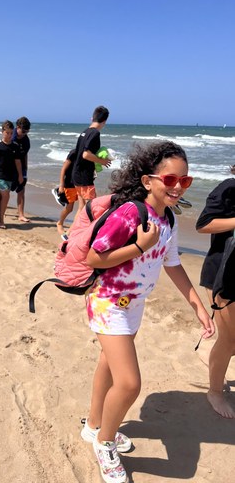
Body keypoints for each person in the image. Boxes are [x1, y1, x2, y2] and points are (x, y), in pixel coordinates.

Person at [81, 141, 214, 483]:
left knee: (109, 365)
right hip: (108, 301)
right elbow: (94, 258)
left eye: (185, 181)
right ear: (148, 181)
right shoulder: (131, 213)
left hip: (134, 304)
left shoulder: (167, 219)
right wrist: (140, 245)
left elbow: (173, 265)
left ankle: (94, 425)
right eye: (170, 180)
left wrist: (198, 305)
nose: (177, 187)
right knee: (129, 383)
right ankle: (104, 444)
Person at [196, 164, 235, 419]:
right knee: (230, 340)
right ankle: (214, 392)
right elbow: (203, 224)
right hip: (225, 273)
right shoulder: (229, 188)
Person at [72, 106, 112, 218]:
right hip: (84, 177)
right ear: (104, 121)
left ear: (92, 118)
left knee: (82, 208)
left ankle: (70, 234)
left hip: (76, 174)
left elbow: (79, 153)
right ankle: (86, 234)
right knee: (93, 209)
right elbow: (86, 154)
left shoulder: (84, 132)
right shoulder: (95, 133)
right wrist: (102, 161)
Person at [0, 120, 23, 229]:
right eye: (7, 133)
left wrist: (20, 175)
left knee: (2, 197)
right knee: (6, 194)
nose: (9, 135)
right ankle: (1, 220)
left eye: (11, 133)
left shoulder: (15, 146)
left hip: (10, 176)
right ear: (2, 132)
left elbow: (18, 162)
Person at [52, 148, 78, 237]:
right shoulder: (74, 152)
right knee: (69, 208)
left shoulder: (88, 153)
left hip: (79, 183)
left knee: (82, 206)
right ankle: (60, 223)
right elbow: (63, 168)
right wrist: (61, 184)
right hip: (70, 184)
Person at [12, 116, 31, 222]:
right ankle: (0, 211)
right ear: (17, 127)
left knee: (21, 190)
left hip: (22, 167)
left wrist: (25, 169)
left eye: (27, 132)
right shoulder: (11, 137)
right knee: (5, 191)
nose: (24, 134)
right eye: (23, 131)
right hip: (9, 167)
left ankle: (21, 214)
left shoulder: (26, 141)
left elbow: (25, 155)